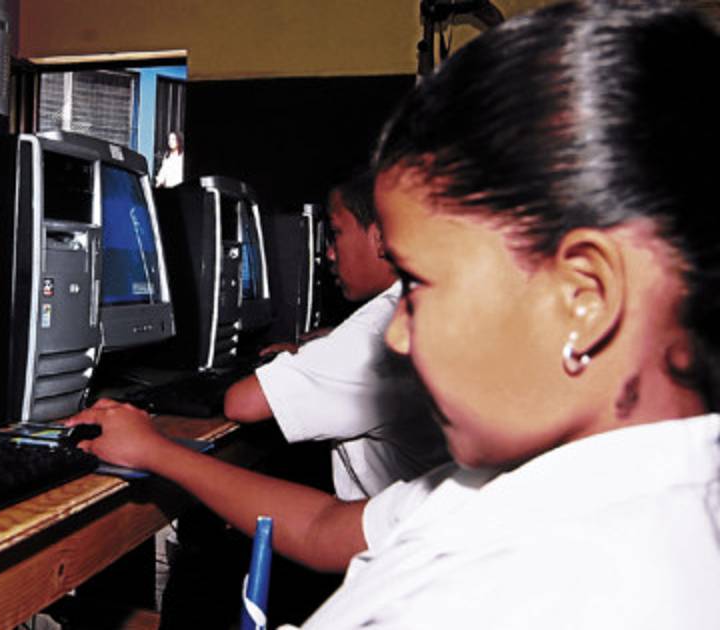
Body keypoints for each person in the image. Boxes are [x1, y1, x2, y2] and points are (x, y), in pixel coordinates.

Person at [69, 1, 720, 627]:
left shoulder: (575, 587)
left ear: (585, 297)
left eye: (419, 284)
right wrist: (158, 452)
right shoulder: (528, 489)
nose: (399, 335)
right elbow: (324, 527)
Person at [224, 170, 448, 500]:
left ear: (381, 238)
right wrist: (322, 348)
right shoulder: (420, 302)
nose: (329, 253)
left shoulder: (376, 332)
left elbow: (242, 403)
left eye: (337, 233)